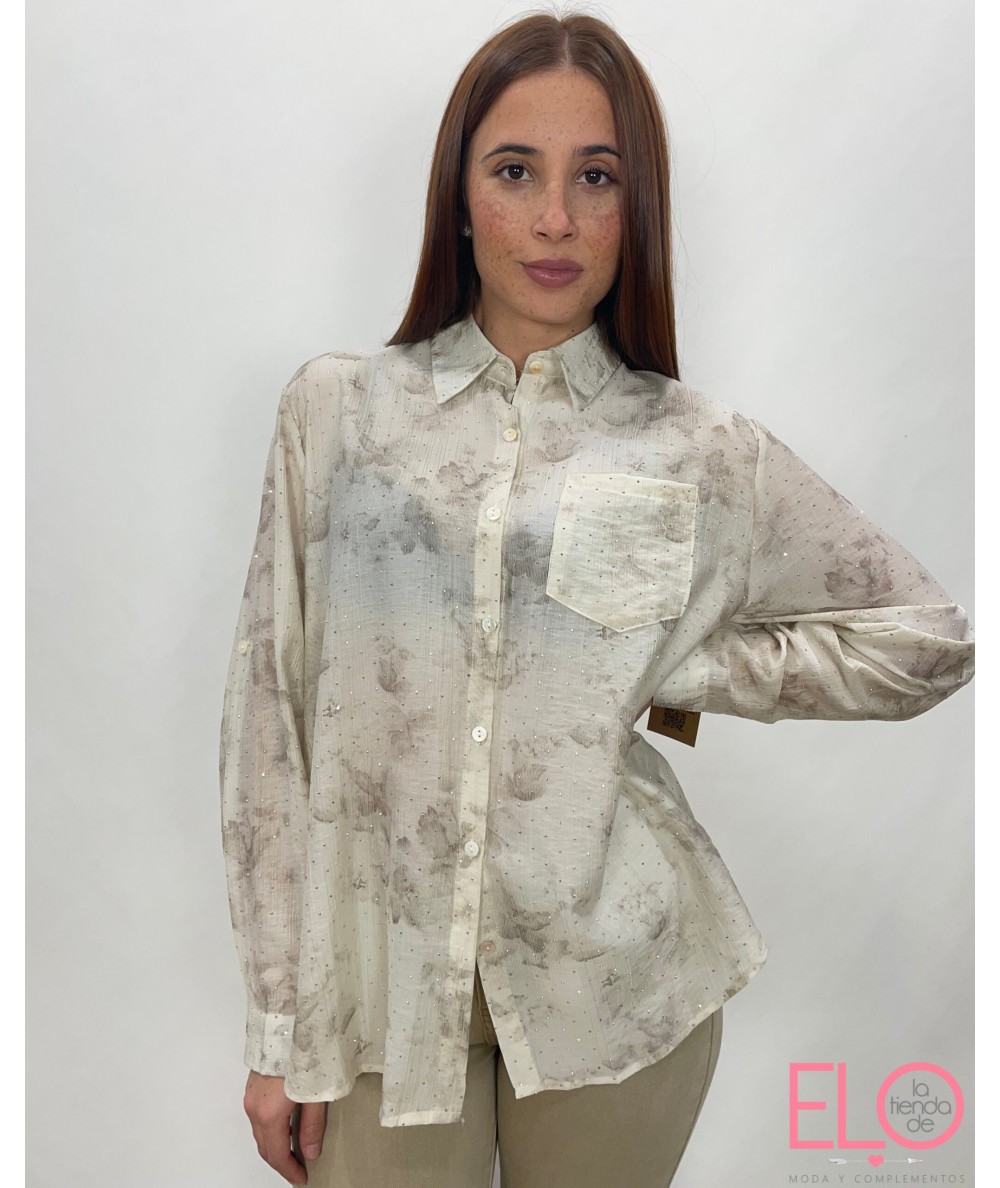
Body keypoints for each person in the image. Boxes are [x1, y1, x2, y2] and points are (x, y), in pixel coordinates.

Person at [219, 11, 974, 1187]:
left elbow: (924, 640)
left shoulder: (695, 448)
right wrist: (277, 1032)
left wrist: (669, 665)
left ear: (639, 208)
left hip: (614, 987)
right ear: (458, 198)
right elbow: (271, 726)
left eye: (598, 177)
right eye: (515, 172)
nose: (556, 220)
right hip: (376, 982)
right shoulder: (338, 415)